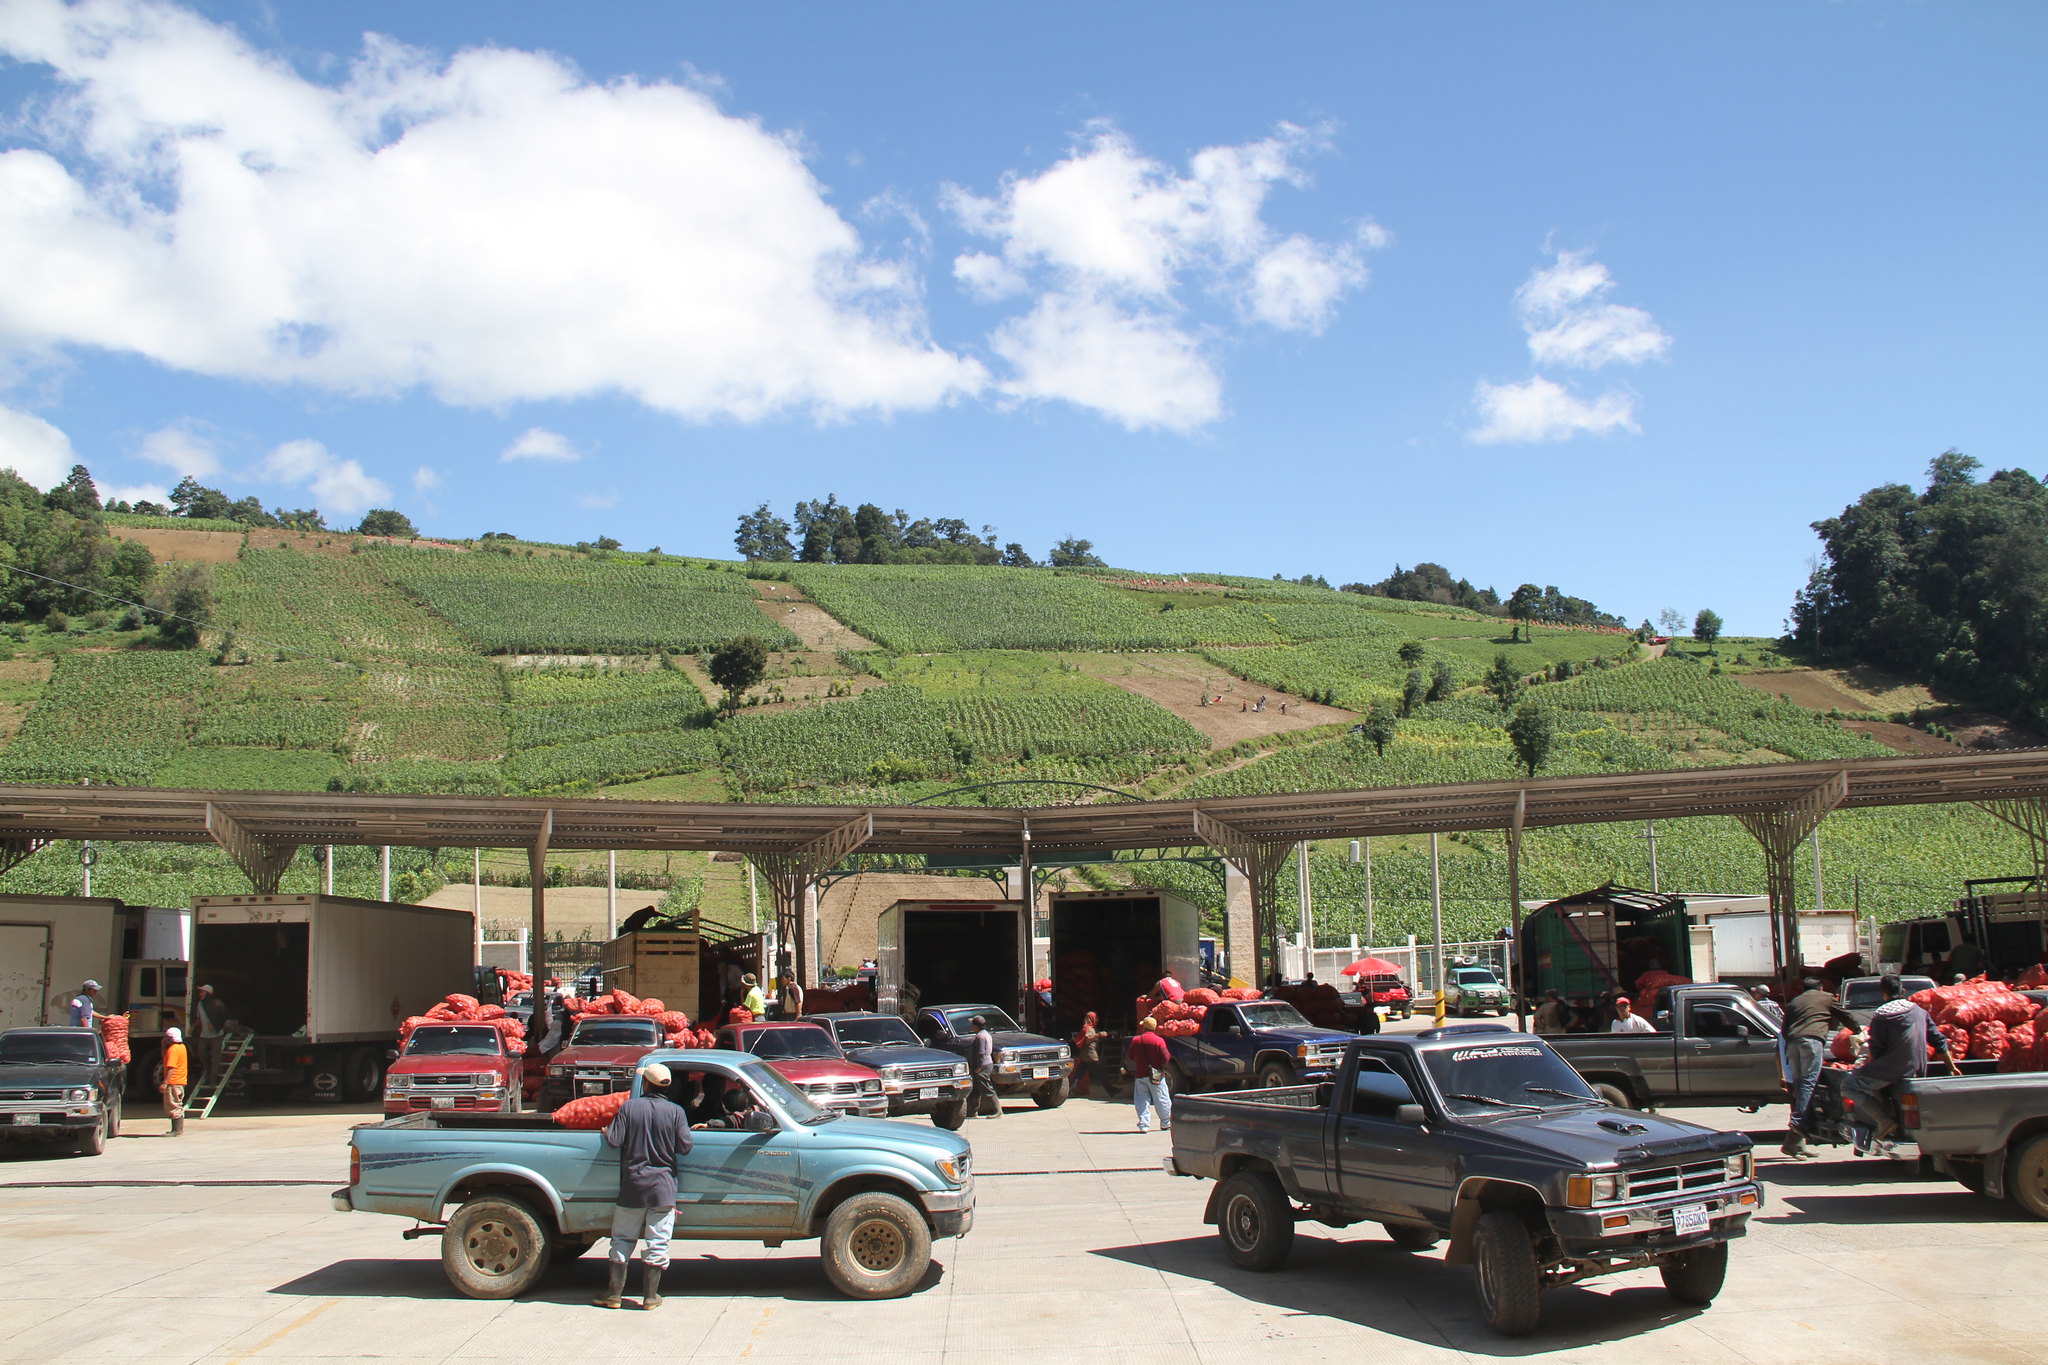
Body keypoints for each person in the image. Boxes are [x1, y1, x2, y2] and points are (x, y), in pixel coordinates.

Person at [594, 1062, 693, 1311]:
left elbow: (615, 1140)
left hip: (633, 1187)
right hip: (662, 1189)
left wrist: (607, 1132)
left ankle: (614, 1295)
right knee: (658, 1242)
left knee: (622, 1240)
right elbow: (685, 1147)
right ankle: (650, 1297)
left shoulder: (630, 1108)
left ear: (647, 1084)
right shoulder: (676, 1112)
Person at [1844, 973, 1956, 1157]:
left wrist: (1867, 1066)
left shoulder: (1882, 1015)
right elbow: (1938, 1040)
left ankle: (1885, 1120)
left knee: (1849, 1085)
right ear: (1903, 991)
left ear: (1883, 993)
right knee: (1872, 1079)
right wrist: (1951, 1066)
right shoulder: (1920, 1011)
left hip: (1892, 1070)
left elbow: (1876, 1049)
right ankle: (1890, 1119)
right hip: (1918, 1068)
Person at [1779, 977, 1855, 1157]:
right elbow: (1846, 1017)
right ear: (1820, 987)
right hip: (1811, 1042)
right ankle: (1798, 1122)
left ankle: (1794, 1143)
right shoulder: (1826, 997)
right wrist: (1858, 1031)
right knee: (1809, 1083)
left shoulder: (1795, 1001)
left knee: (1800, 1087)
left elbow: (1784, 1028)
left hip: (1792, 1044)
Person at [1127, 1017, 1172, 1133]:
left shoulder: (1136, 1040)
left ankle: (1144, 1125)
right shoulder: (1159, 1041)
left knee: (1141, 1099)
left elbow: (1131, 1057)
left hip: (1140, 1074)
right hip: (1157, 1076)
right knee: (1161, 1098)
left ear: (1144, 1027)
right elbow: (1166, 1058)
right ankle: (1165, 1122)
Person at [1071, 1011, 1120, 1097]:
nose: (1097, 1019)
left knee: (1079, 1074)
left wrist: (1109, 1034)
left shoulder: (1087, 1027)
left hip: (1084, 1056)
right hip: (1090, 1055)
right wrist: (1098, 1035)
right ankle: (1111, 1090)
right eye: (1095, 1017)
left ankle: (1071, 1090)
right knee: (1101, 1073)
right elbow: (1087, 1040)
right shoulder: (1089, 1028)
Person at [964, 1015, 1000, 1119]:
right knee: (976, 1089)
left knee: (986, 1088)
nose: (972, 1027)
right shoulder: (986, 1034)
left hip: (983, 1065)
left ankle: (998, 1110)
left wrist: (978, 1067)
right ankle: (973, 1111)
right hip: (986, 1064)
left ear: (976, 1026)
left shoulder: (980, 1037)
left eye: (973, 1025)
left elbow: (980, 1053)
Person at [188, 985, 226, 1083]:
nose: (200, 994)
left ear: (207, 993)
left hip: (216, 1035)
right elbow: (199, 1018)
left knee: (216, 1056)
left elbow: (223, 1017)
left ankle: (213, 1079)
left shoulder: (217, 1004)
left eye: (202, 992)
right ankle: (210, 1071)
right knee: (201, 1054)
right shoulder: (200, 1004)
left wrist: (215, 1025)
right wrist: (193, 1027)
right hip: (204, 1035)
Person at [160, 1026, 188, 1137]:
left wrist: (165, 1082)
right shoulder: (181, 1047)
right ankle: (177, 1129)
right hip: (180, 1081)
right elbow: (164, 1058)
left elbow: (171, 1067)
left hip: (174, 1082)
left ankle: (177, 1130)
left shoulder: (173, 1050)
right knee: (177, 1104)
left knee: (173, 1105)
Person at [692, 1086, 759, 1131]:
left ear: (726, 1107)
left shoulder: (734, 1119)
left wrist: (707, 1125)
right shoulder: (754, 1111)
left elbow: (722, 1122)